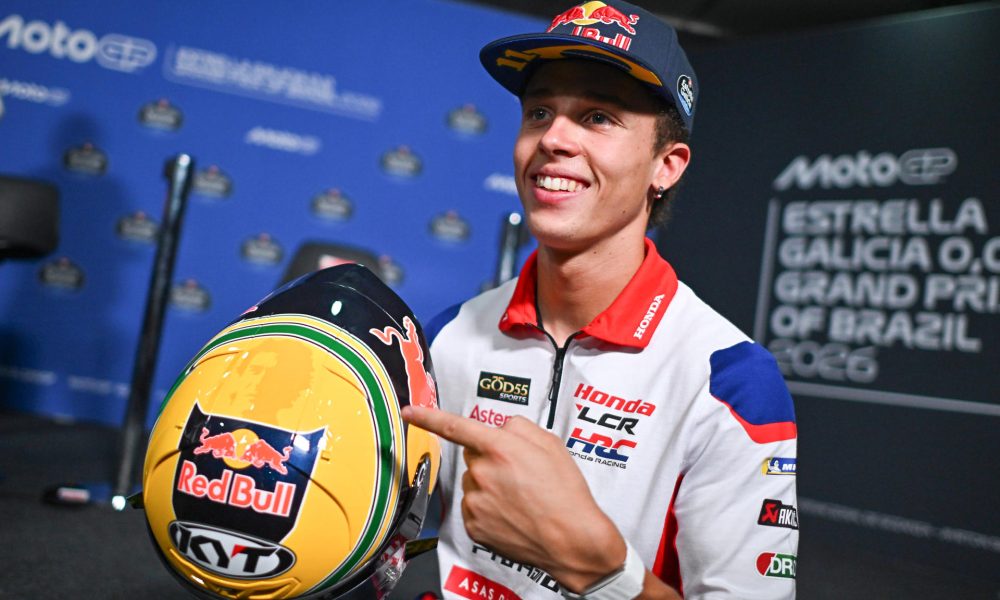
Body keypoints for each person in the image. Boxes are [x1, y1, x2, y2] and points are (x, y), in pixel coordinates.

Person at [401, 1, 798, 598]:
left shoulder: (729, 380)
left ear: (666, 165)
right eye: (539, 112)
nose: (553, 138)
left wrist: (604, 571)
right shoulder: (446, 336)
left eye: (597, 117)